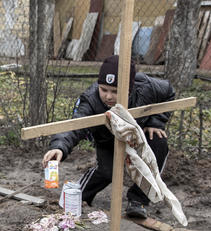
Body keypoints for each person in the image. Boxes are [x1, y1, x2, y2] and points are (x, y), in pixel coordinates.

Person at [41, 55, 175, 218]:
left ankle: (138, 200)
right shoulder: (90, 99)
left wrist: (156, 121)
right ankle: (79, 195)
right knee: (107, 171)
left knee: (159, 144)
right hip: (107, 139)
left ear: (129, 88)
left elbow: (168, 93)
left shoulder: (146, 86)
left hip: (138, 134)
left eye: (115, 91)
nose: (108, 96)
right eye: (104, 89)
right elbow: (76, 125)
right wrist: (59, 147)